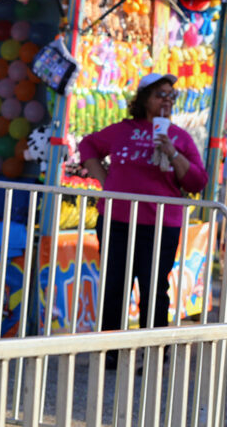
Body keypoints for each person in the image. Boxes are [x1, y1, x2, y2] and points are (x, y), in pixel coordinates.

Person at [80, 73, 207, 358]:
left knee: (153, 287)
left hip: (160, 224)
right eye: (160, 94)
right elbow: (87, 145)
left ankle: (155, 351)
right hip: (117, 220)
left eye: (171, 95)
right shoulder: (122, 130)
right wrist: (105, 180)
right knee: (114, 284)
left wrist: (172, 152)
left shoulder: (180, 137)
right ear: (144, 99)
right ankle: (109, 351)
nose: (167, 100)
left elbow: (198, 183)